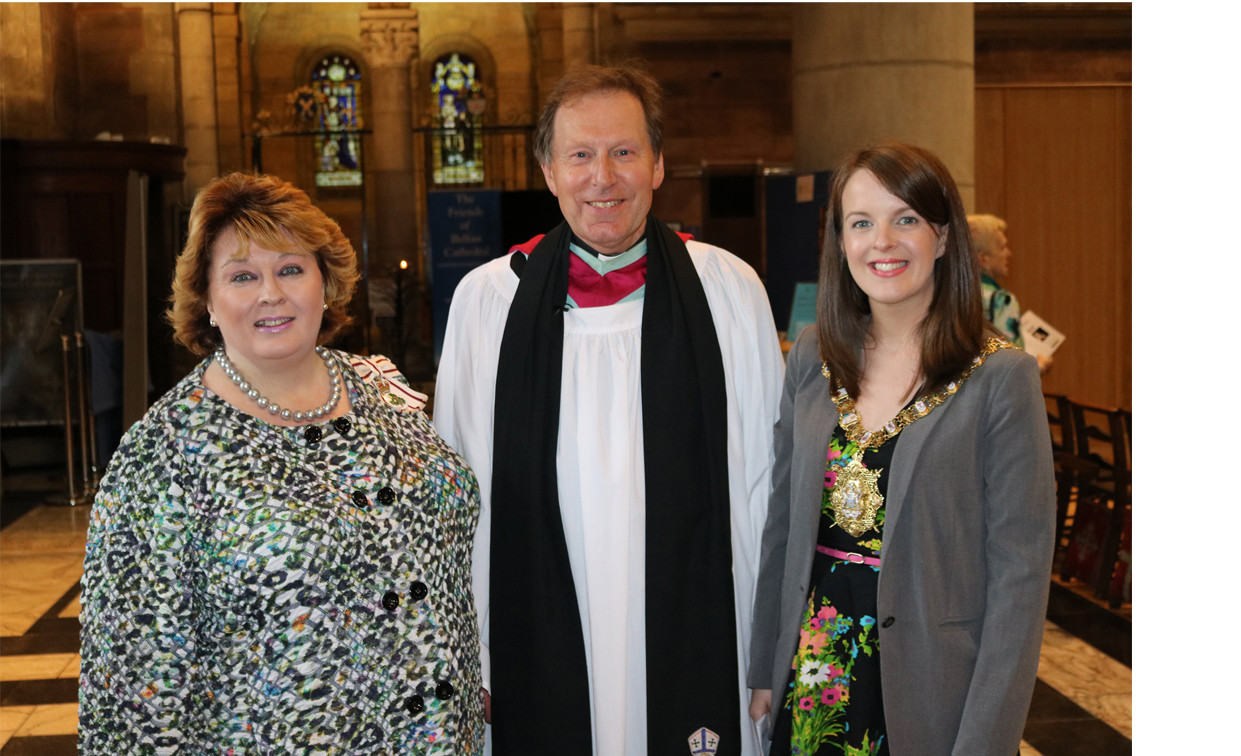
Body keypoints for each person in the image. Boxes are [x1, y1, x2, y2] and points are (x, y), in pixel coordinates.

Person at [432, 64, 782, 755]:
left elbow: (767, 481)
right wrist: (472, 645)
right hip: (537, 617)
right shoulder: (489, 300)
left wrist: (765, 644)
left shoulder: (727, 290)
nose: (603, 177)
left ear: (657, 165)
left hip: (702, 619)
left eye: (624, 152)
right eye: (581, 156)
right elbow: (460, 490)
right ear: (549, 170)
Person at [79, 173, 486, 754]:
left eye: (291, 269)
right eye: (242, 276)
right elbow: (130, 693)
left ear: (325, 283)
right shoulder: (164, 453)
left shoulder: (384, 390)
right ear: (209, 302)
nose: (271, 292)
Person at [748, 143, 1054, 756]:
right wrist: (763, 667)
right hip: (815, 674)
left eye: (905, 219)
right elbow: (782, 526)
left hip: (933, 687)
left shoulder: (1000, 378)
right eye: (861, 223)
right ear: (840, 242)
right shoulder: (813, 355)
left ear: (942, 237)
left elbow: (1018, 584)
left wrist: (988, 738)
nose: (881, 241)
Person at [967, 213, 1052, 374]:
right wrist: (1038, 366)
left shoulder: (945, 294)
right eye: (1002, 247)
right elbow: (1013, 369)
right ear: (984, 259)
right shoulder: (1002, 300)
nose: (1008, 253)